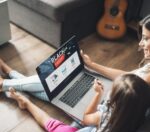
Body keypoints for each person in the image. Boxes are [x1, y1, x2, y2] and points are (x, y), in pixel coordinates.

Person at [1, 15, 150, 100]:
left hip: (107, 100)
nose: (142, 44)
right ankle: (9, 76)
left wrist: (98, 96)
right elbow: (129, 77)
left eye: (147, 38)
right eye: (143, 37)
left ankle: (6, 81)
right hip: (108, 90)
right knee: (61, 81)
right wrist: (92, 65)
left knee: (55, 86)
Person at [6, 74, 150, 132]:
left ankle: (25, 101)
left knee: (54, 126)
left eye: (112, 93)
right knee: (56, 126)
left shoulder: (107, 116)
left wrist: (97, 95)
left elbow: (86, 119)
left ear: (116, 105)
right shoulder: (138, 117)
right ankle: (26, 102)